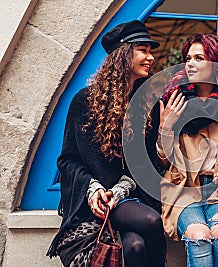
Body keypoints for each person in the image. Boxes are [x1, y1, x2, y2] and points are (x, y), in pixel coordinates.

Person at [47, 20, 166, 267]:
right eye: (143, 50)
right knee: (153, 222)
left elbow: (148, 163)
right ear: (123, 55)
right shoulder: (85, 102)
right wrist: (92, 189)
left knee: (135, 246)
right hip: (94, 201)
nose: (150, 57)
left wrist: (123, 187)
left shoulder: (147, 104)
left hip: (131, 195)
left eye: (150, 50)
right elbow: (67, 160)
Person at [146, 34, 218, 267]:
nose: (190, 63)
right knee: (199, 236)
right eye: (188, 58)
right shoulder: (175, 100)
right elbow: (165, 162)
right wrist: (166, 127)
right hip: (183, 192)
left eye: (199, 58)